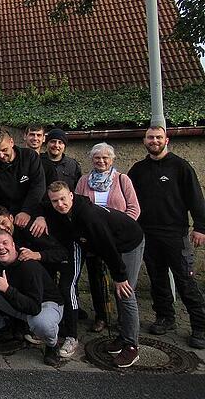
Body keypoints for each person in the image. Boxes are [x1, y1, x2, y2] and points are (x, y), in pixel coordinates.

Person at [43, 181, 144, 367]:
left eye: (63, 199)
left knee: (125, 292)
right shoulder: (62, 212)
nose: (60, 204)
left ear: (71, 195)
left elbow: (108, 247)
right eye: (55, 201)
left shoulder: (89, 216)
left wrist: (120, 276)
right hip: (110, 244)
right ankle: (123, 337)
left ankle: (131, 346)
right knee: (119, 291)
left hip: (129, 241)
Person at [127, 126, 205, 349]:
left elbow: (195, 198)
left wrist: (201, 226)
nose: (154, 141)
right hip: (148, 234)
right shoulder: (138, 170)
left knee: (185, 281)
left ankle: (199, 326)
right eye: (150, 137)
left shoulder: (180, 167)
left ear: (166, 140)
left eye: (158, 137)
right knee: (157, 278)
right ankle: (165, 317)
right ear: (144, 140)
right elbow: (129, 199)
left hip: (175, 234)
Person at [0, 205, 77, 358]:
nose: (2, 228)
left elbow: (62, 253)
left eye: (4, 223)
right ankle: (9, 326)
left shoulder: (31, 230)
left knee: (41, 319)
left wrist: (38, 255)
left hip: (43, 288)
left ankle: (55, 342)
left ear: (11, 218)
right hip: (20, 289)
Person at [0, 229, 64, 367]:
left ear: (14, 244)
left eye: (5, 243)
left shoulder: (29, 265)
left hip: (44, 305)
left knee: (41, 323)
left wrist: (8, 290)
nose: (1, 247)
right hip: (17, 302)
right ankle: (2, 327)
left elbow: (34, 307)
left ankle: (52, 345)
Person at [75, 142, 140, 333]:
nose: (101, 161)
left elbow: (134, 208)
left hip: (120, 240)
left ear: (112, 159)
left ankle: (124, 319)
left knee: (122, 279)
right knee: (97, 279)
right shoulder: (83, 181)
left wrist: (119, 231)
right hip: (95, 241)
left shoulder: (122, 180)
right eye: (97, 158)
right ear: (92, 159)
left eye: (105, 157)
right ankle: (101, 316)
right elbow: (78, 208)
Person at [0, 128, 46, 231]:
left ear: (11, 142)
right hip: (4, 221)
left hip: (31, 214)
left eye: (4, 150)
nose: (1, 155)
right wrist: (1, 222)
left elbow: (38, 186)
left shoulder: (30, 157)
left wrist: (26, 211)